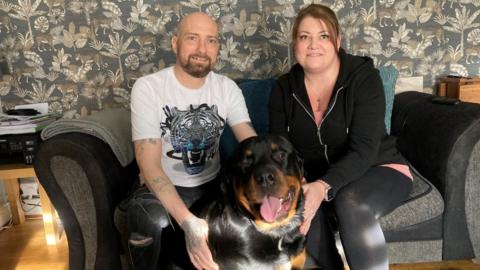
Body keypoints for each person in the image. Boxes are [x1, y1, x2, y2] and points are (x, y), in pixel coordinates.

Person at [269, 4, 413, 270]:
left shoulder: (363, 78)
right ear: (294, 44)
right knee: (299, 210)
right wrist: (301, 185)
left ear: (337, 41)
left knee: (349, 200)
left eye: (323, 36)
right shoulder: (283, 88)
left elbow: (364, 149)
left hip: (378, 167)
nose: (313, 44)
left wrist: (323, 186)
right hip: (316, 178)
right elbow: (281, 151)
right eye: (304, 36)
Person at [126, 12, 256, 270]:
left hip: (212, 185)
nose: (202, 49)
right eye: (192, 38)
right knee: (148, 217)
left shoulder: (227, 88)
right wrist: (188, 222)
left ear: (218, 48)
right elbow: (149, 166)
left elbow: (251, 145)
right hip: (162, 186)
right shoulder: (149, 87)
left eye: (211, 41)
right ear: (175, 43)